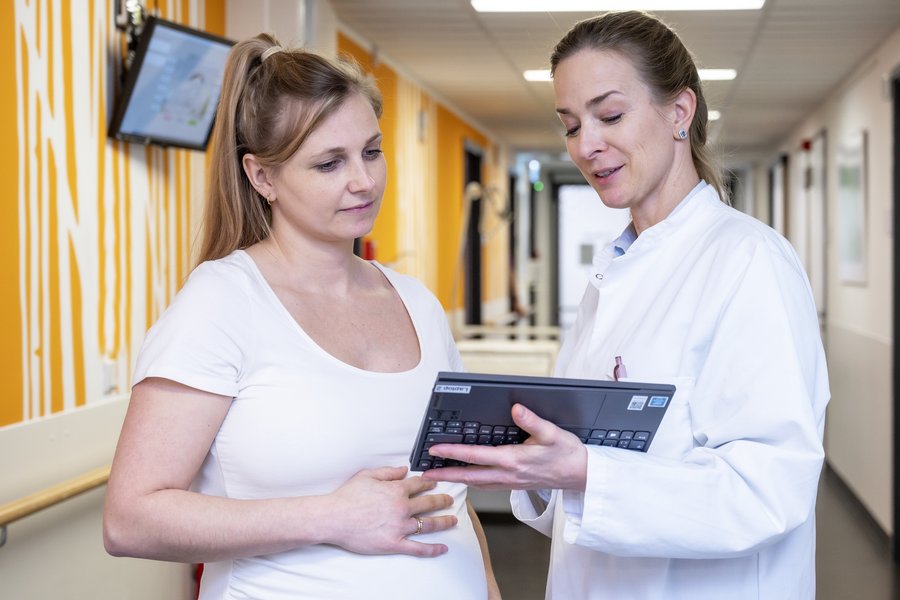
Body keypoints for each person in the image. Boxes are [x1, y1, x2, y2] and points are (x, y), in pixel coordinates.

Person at [425, 10, 829, 600]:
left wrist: (585, 472)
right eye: (570, 125)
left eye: (609, 115)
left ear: (679, 113)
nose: (586, 145)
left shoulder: (749, 262)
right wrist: (532, 467)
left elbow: (769, 491)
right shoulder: (613, 273)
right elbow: (579, 492)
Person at [103, 33, 501, 600]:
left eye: (371, 151)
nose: (363, 181)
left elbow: (448, 493)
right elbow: (129, 520)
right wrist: (332, 516)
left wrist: (486, 585)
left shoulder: (420, 304)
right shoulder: (222, 303)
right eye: (328, 163)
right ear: (262, 177)